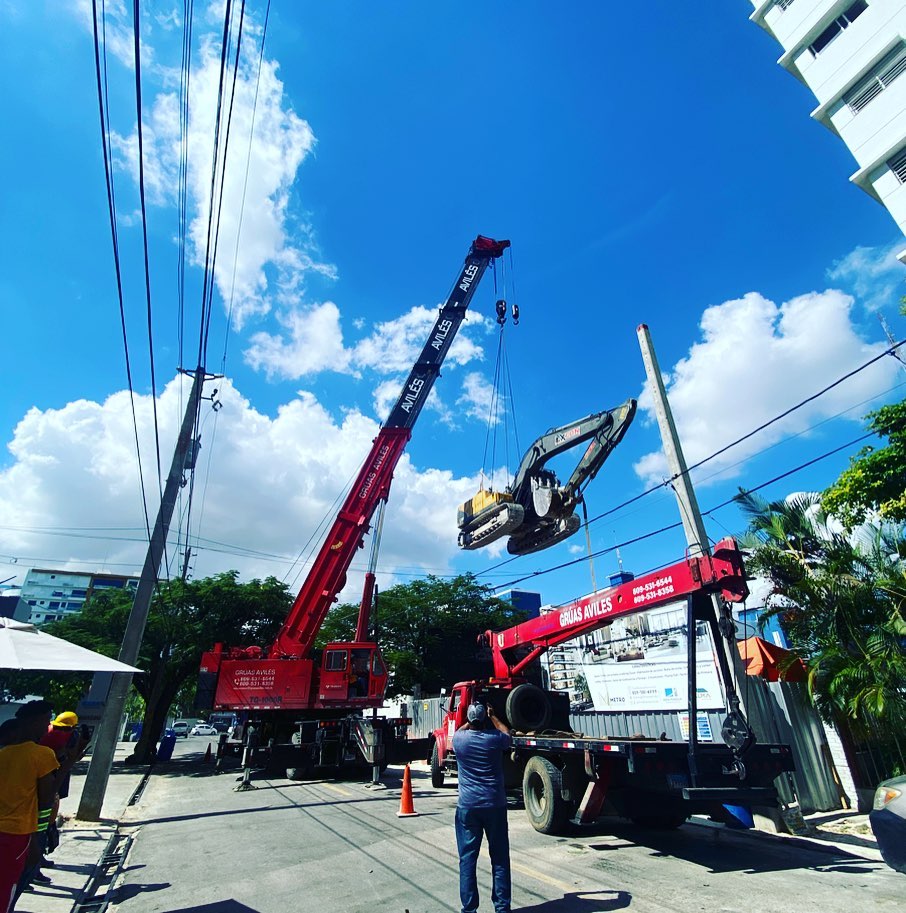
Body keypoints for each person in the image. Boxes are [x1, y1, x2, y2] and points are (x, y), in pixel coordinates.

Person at [451, 700, 513, 913]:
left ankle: (469, 909)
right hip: (495, 805)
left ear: (469, 720)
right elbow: (508, 734)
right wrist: (493, 716)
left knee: (467, 860)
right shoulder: (495, 740)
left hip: (468, 807)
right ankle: (502, 908)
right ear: (485, 719)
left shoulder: (459, 739)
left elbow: (460, 729)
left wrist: (471, 721)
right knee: (500, 858)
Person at [0, 702, 59, 913]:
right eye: (47, 719)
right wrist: (36, 839)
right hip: (18, 833)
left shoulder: (3, 753)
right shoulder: (42, 755)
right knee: (6, 889)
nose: (48, 725)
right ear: (34, 721)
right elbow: (46, 800)